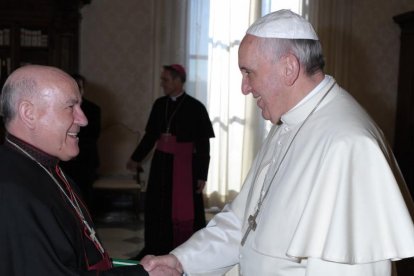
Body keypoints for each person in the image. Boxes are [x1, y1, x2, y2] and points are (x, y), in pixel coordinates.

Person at [140, 9, 414, 276]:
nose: (244, 87)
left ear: (289, 68)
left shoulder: (349, 146)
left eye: (249, 72)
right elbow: (243, 223)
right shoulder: (289, 121)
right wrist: (181, 261)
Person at [0, 64, 173, 275]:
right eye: (71, 107)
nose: (83, 119)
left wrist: (141, 270)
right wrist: (142, 274)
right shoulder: (14, 192)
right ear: (29, 113)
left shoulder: (47, 168)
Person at [127, 64, 215, 259]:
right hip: (161, 165)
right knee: (157, 206)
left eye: (165, 80)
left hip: (185, 167)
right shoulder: (159, 104)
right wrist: (136, 158)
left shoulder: (195, 107)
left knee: (185, 210)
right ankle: (155, 247)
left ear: (177, 80)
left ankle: (187, 250)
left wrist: (202, 174)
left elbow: (203, 145)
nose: (162, 84)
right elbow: (150, 136)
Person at [61, 73, 101, 211]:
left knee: (85, 199)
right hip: (64, 162)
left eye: (80, 87)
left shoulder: (94, 109)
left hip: (85, 161)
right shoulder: (59, 108)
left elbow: (93, 135)